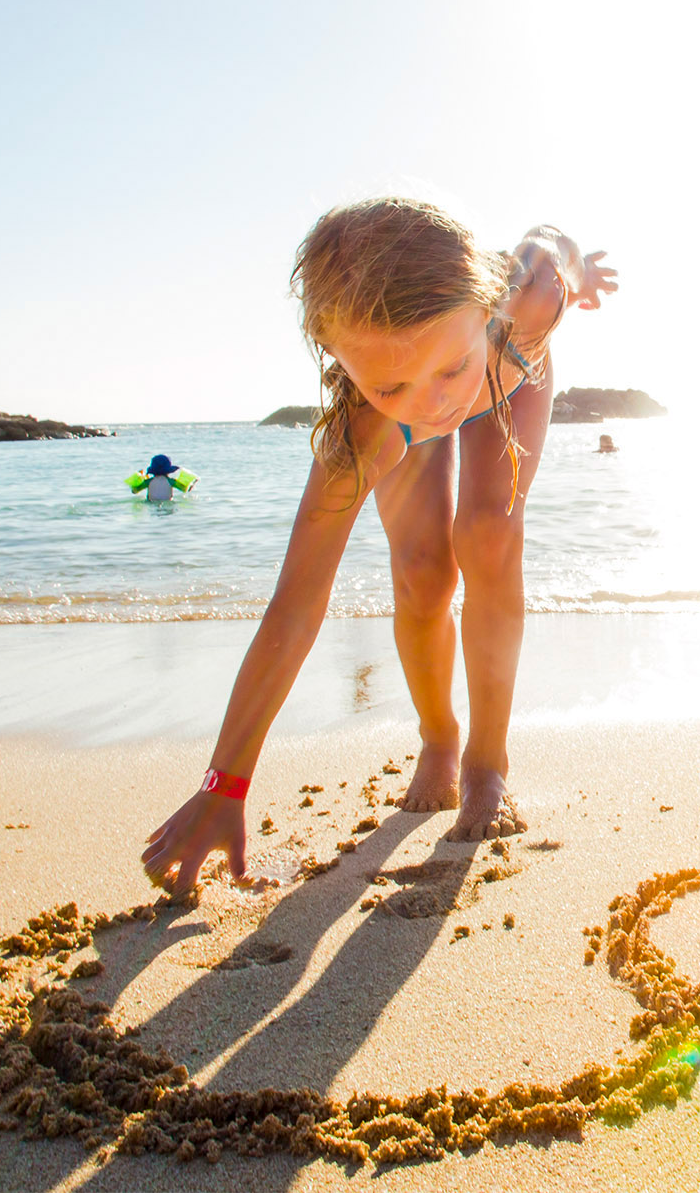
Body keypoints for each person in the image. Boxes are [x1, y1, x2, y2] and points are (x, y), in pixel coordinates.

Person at [142, 197, 617, 897]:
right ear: (342, 362)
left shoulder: (529, 297)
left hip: (508, 378)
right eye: (392, 382)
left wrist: (580, 274)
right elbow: (295, 607)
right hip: (411, 423)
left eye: (447, 370)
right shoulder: (363, 433)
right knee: (424, 573)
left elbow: (553, 242)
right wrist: (224, 784)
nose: (433, 402)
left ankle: (487, 762)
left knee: (487, 532)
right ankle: (439, 737)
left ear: (488, 303)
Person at [125, 454, 197, 501]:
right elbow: (185, 489)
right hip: (168, 502)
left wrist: (139, 478)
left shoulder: (148, 482)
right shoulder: (171, 481)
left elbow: (134, 491)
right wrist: (193, 483)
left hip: (151, 503)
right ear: (168, 470)